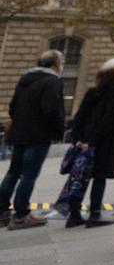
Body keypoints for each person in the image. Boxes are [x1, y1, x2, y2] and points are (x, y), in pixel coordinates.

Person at [61, 56, 114, 228]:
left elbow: (80, 117)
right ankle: (95, 213)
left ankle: (74, 214)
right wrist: (92, 142)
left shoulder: (93, 92)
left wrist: (78, 139)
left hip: (85, 141)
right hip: (105, 144)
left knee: (79, 177)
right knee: (99, 178)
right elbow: (109, 121)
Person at [0, 50, 65, 229]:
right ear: (54, 64)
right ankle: (21, 215)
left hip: (19, 133)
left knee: (13, 172)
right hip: (38, 135)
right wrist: (58, 129)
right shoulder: (52, 81)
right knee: (29, 175)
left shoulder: (25, 79)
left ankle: (2, 211)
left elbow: (13, 106)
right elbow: (52, 110)